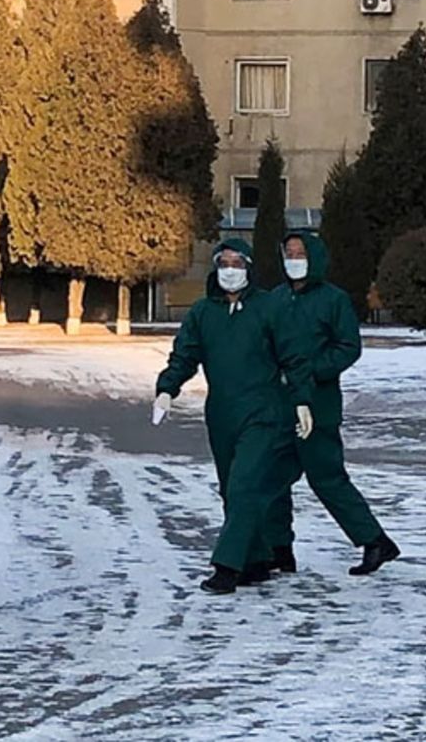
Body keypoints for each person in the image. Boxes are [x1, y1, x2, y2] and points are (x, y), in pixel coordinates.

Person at [153, 239, 314, 595]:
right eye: (223, 263)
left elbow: (294, 356)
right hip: (223, 414)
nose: (230, 270)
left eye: (237, 263)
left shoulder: (269, 308)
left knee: (244, 485)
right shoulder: (202, 313)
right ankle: (256, 559)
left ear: (249, 268)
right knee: (232, 489)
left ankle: (227, 566)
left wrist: (302, 400)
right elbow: (184, 356)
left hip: (264, 411)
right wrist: (167, 389)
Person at [265, 231, 400, 576]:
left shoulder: (333, 300)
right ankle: (279, 548)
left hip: (318, 404)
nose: (293, 260)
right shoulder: (275, 299)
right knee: (273, 478)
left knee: (326, 478)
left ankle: (374, 540)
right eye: (288, 254)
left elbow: (348, 347)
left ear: (314, 257)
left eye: (300, 254)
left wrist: (312, 372)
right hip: (279, 404)